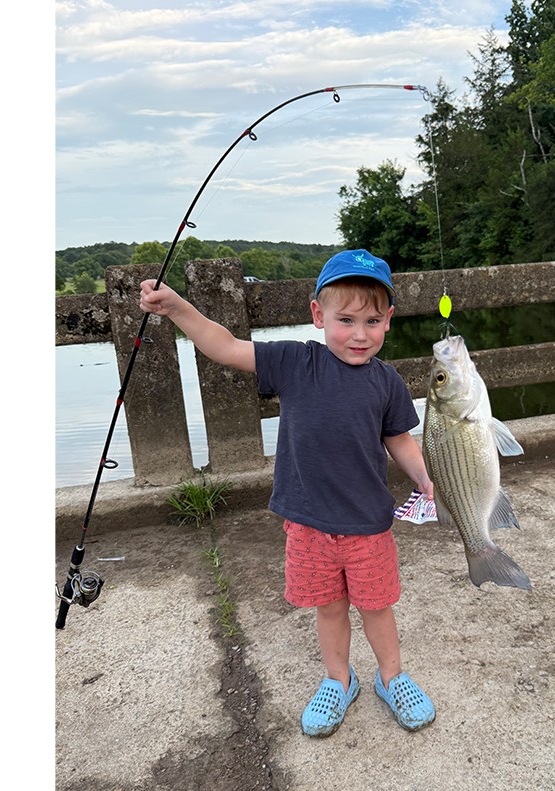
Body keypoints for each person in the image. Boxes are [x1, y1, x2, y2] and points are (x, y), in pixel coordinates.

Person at [139, 249, 436, 737]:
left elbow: (400, 440)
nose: (360, 334)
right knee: (329, 606)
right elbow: (225, 345)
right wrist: (178, 309)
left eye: (373, 321)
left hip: (368, 523)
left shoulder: (388, 381)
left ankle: (392, 677)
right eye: (345, 320)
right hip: (309, 521)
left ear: (389, 321)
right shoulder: (295, 361)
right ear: (318, 315)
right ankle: (339, 680)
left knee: (377, 606)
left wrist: (425, 477)